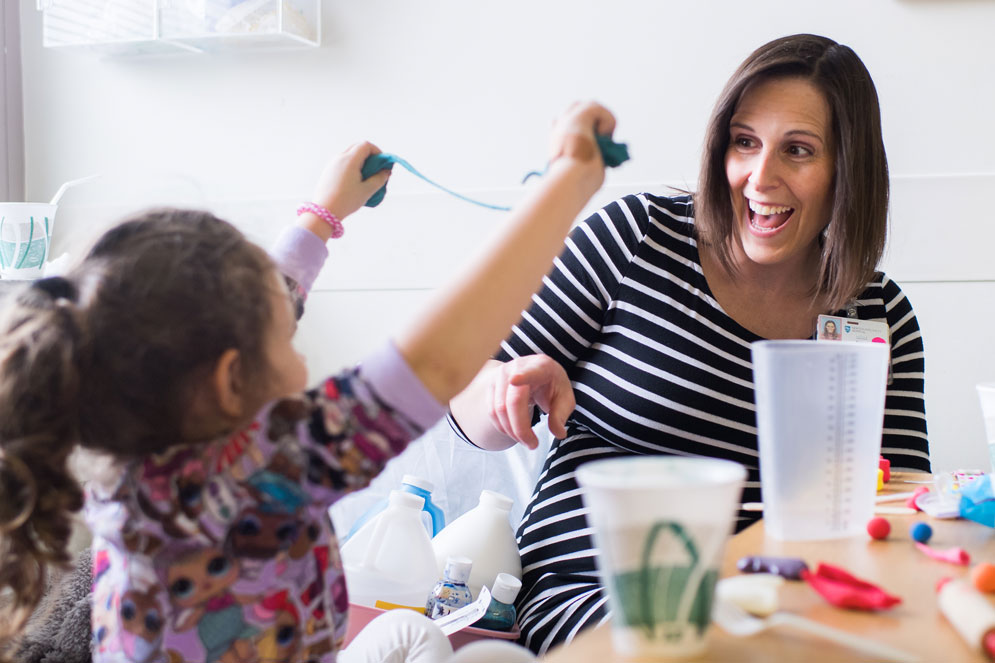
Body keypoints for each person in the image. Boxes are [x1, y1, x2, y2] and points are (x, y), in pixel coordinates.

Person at [0, 101, 616, 663]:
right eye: (284, 333)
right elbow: (434, 362)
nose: (296, 332)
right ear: (230, 375)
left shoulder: (139, 464)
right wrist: (565, 187)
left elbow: (267, 296)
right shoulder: (274, 469)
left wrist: (321, 215)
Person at [449, 34, 930, 655]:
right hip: (603, 588)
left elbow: (900, 500)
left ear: (847, 169)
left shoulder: (880, 314)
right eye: (745, 142)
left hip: (782, 596)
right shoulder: (638, 238)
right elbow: (469, 402)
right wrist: (500, 392)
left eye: (799, 150)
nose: (762, 177)